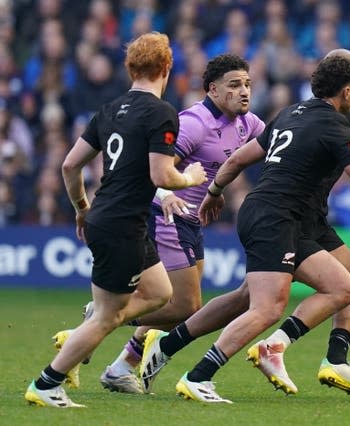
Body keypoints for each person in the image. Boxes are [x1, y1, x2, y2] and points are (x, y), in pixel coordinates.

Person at [141, 55, 350, 403]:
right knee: (268, 307)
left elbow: (238, 159)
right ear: (349, 90)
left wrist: (215, 192)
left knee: (349, 285)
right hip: (277, 218)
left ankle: (173, 344)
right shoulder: (338, 124)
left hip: (291, 215)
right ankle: (200, 376)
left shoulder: (291, 112)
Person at [24, 32, 207, 408]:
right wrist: (192, 178)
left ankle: (88, 325)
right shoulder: (161, 113)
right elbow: (162, 175)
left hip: (113, 217)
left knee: (160, 293)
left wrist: (80, 207)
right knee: (109, 318)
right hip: (122, 224)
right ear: (166, 68)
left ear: (130, 68)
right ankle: (47, 383)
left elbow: (70, 164)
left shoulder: (108, 110)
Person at [89, 53, 261, 393]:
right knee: (186, 306)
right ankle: (102, 315)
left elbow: (273, 147)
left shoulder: (248, 124)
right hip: (167, 216)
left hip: (193, 221)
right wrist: (163, 195)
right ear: (213, 89)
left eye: (247, 85)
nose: (244, 92)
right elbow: (153, 171)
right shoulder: (193, 123)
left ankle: (121, 366)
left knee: (176, 309)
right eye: (235, 85)